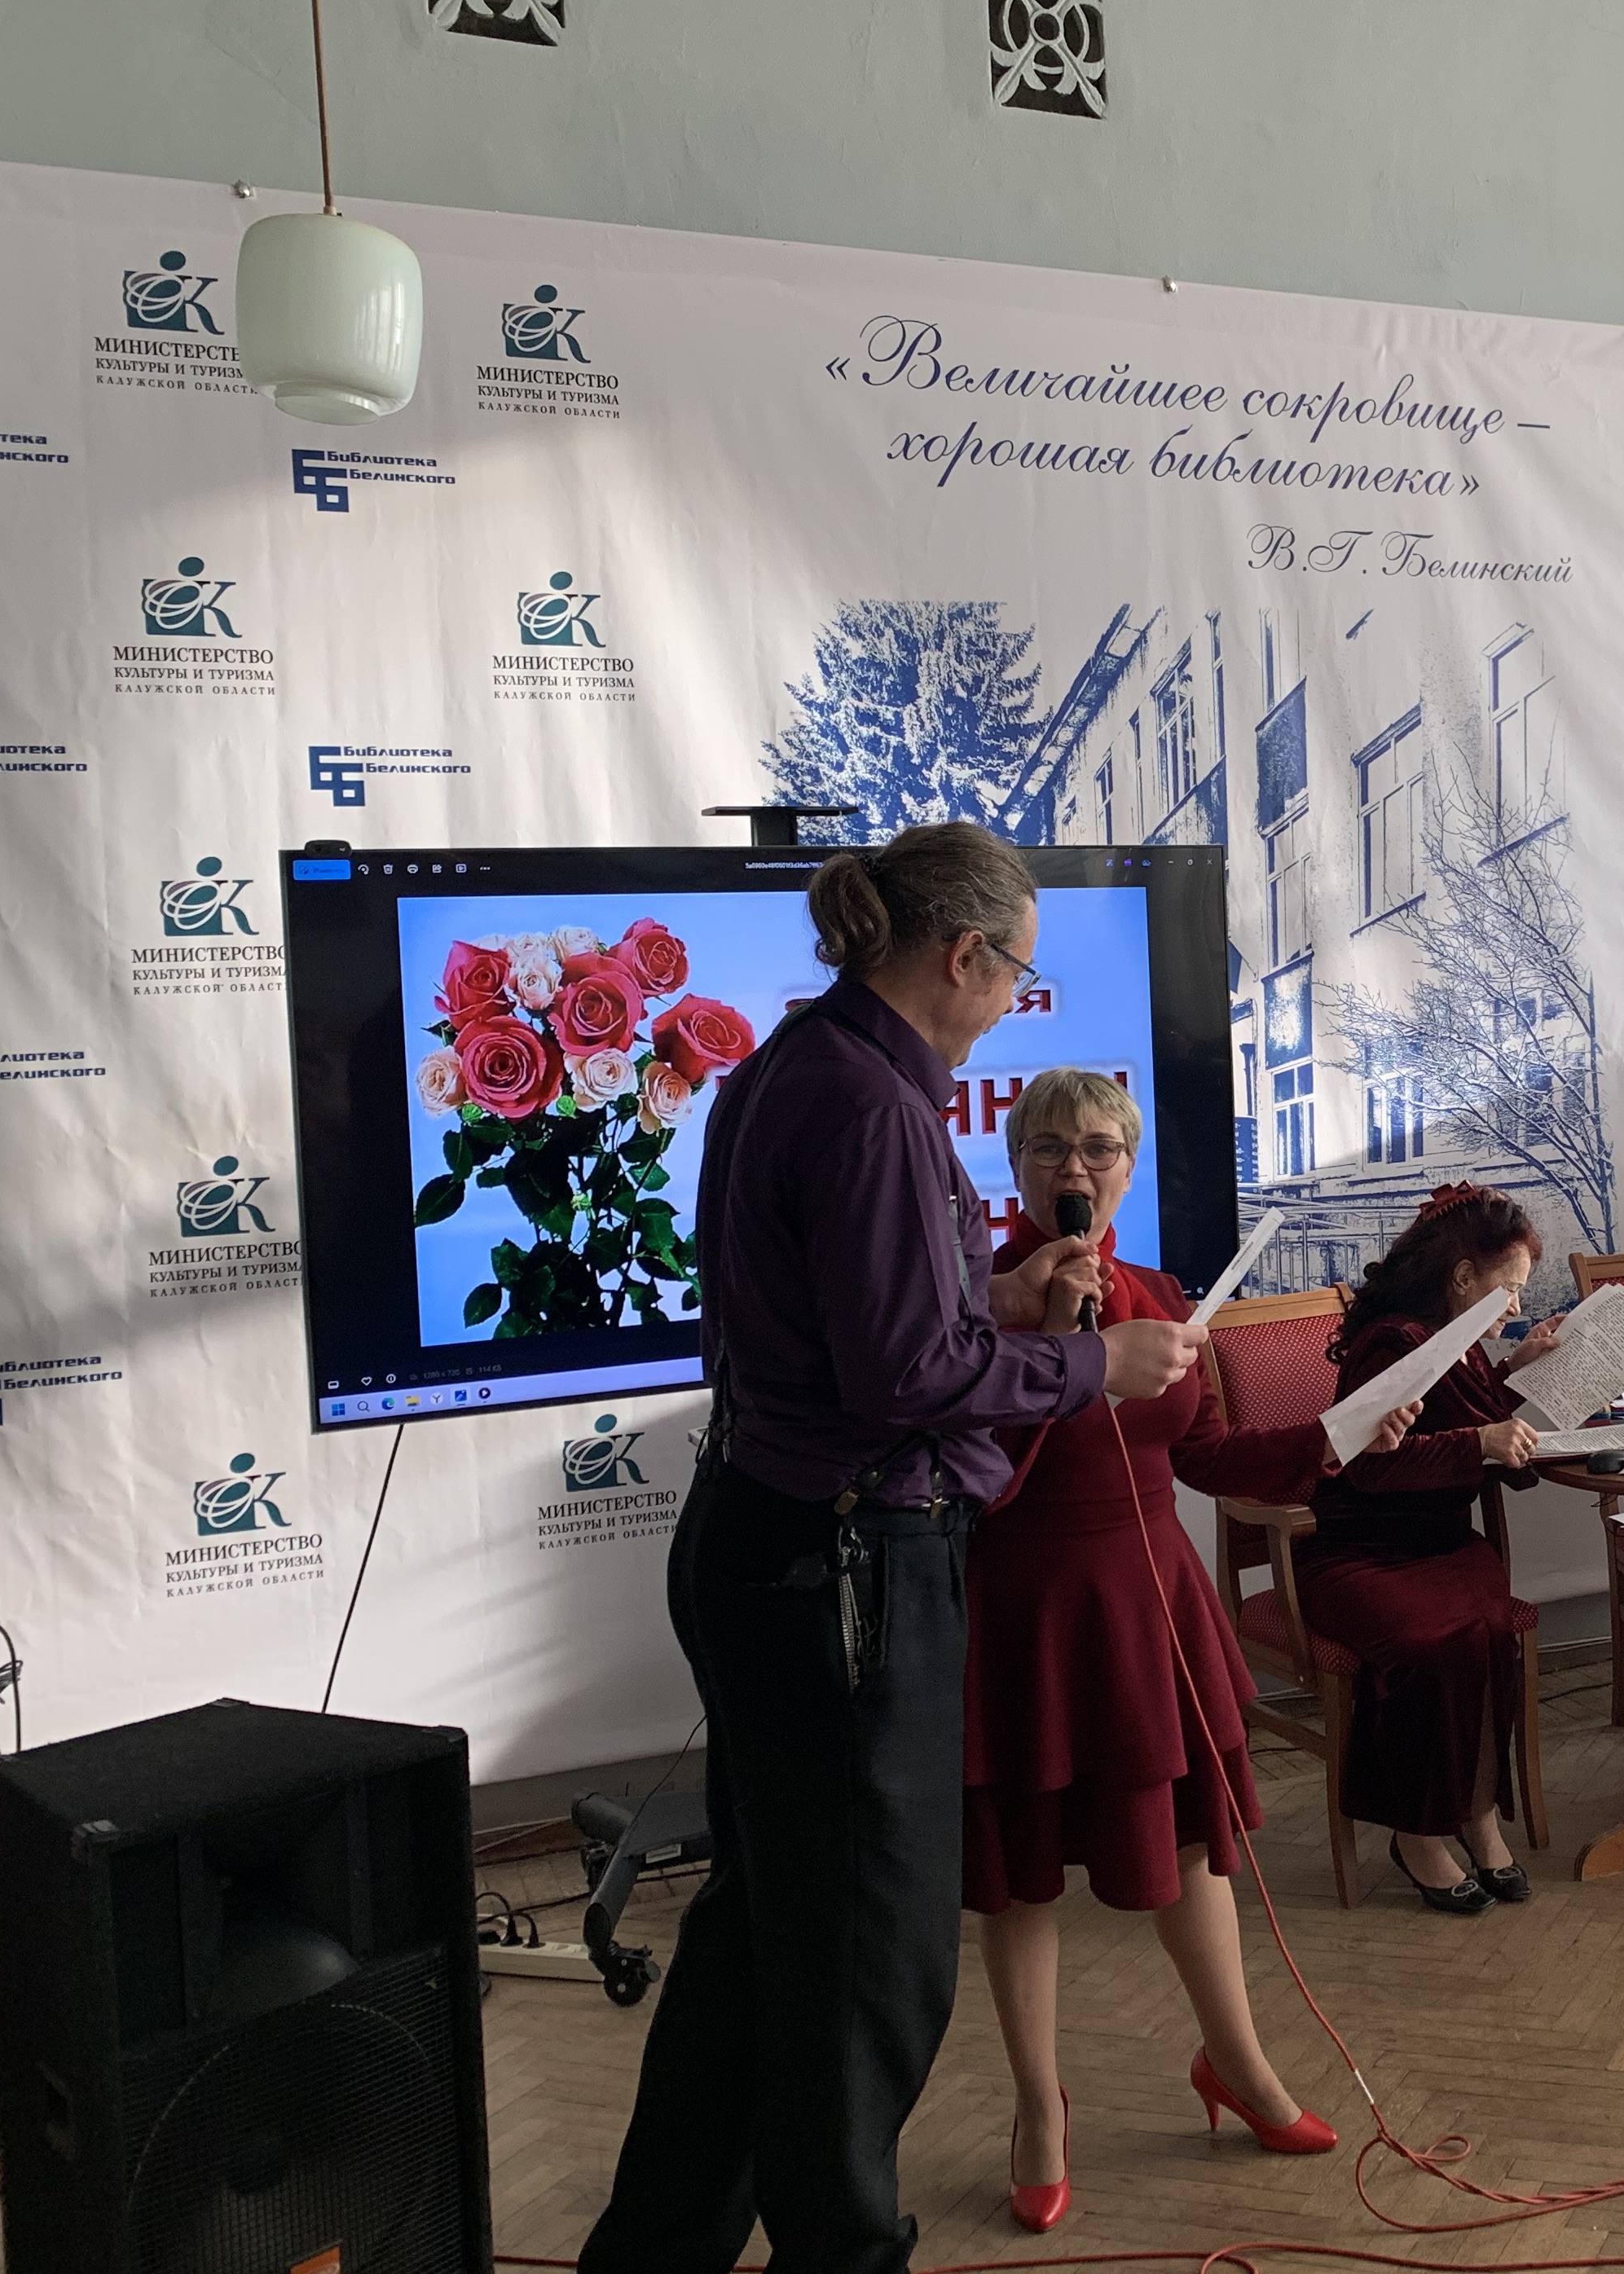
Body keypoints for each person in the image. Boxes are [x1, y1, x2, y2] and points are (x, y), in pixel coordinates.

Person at [579, 825, 1205, 2274]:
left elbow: (857, 1317)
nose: (1016, 1001)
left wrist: (1001, 1301)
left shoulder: (795, 1067)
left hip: (772, 1540)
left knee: (763, 1944)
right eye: (1017, 974)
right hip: (848, 1569)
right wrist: (1090, 1363)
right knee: (867, 1971)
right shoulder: (874, 1105)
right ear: (964, 955)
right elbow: (902, 1375)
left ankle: (655, 2252)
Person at [967, 1069, 1428, 2231]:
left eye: (1099, 1149)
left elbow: (1210, 1457)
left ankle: (1240, 2066)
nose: (1075, 1168)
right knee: (1022, 1870)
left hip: (1150, 1602)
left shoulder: (1162, 1294)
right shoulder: (974, 1297)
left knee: (1190, 1847)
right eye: (1048, 1148)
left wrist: (1339, 1437)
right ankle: (1037, 2112)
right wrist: (1056, 1343)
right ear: (1014, 1169)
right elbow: (975, 1474)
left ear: (1129, 1169)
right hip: (1024, 1612)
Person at [1301, 1183, 1563, 1912]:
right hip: (1357, 1550)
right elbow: (1369, 1465)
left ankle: (1476, 1814)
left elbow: (1458, 1416)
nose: (1516, 1307)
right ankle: (1416, 1832)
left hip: (1440, 1541)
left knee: (1489, 1631)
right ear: (1463, 1277)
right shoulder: (1391, 1341)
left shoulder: (1456, 1340)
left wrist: (1518, 1371)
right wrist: (1481, 1442)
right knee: (1429, 1641)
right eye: (1508, 1289)